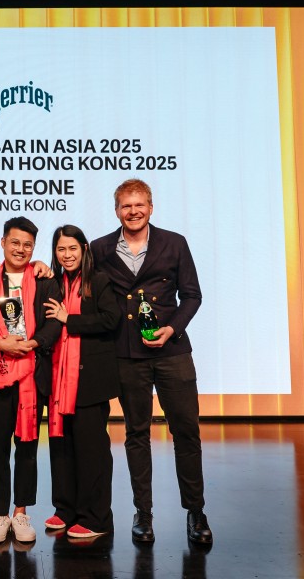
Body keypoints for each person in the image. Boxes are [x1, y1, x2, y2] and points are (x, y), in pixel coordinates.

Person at [90, 179, 213, 545]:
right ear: (117, 210)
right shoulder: (98, 249)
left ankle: (195, 512)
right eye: (126, 206)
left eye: (139, 204)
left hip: (172, 352)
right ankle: (143, 513)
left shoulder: (174, 243)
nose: (134, 211)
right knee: (136, 435)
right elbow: (79, 285)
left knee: (186, 432)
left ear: (151, 206)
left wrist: (171, 329)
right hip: (127, 354)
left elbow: (192, 295)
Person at [0, 216, 62, 544]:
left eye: (27, 245)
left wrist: (32, 343)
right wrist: (1, 343)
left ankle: (21, 513)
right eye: (15, 242)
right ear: (3, 243)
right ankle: (0, 515)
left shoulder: (45, 280)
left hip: (31, 377)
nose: (20, 249)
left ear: (32, 248)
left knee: (27, 446)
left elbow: (54, 323)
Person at [42, 224, 121, 539]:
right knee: (62, 448)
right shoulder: (53, 284)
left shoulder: (98, 280)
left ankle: (96, 517)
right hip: (57, 379)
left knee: (92, 451)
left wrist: (68, 320)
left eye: (72, 248)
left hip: (89, 381)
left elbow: (111, 319)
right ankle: (66, 510)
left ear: (84, 249)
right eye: (61, 249)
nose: (67, 254)